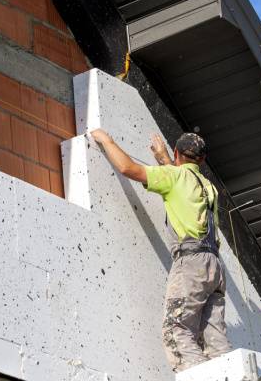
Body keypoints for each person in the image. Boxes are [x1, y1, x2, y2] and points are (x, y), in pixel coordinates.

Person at [89, 128, 231, 372]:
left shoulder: (174, 178)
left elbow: (129, 169)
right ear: (203, 160)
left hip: (191, 264)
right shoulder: (208, 187)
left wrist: (106, 139)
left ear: (176, 153)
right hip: (214, 267)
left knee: (176, 329)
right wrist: (165, 160)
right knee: (214, 339)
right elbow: (183, 183)